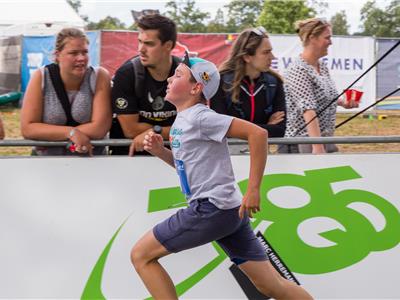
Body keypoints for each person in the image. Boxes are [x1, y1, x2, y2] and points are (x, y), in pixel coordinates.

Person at [130, 53, 313, 300]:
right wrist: (160, 151)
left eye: (179, 74)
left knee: (141, 255)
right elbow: (189, 169)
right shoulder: (183, 120)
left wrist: (254, 190)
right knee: (271, 286)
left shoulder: (200, 116)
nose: (170, 78)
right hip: (230, 211)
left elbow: (258, 134)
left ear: (196, 88)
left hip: (212, 210)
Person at [21, 28, 112, 156]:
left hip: (91, 161)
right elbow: (28, 128)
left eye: (84, 52)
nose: (81, 58)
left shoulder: (99, 76)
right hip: (47, 163)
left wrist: (48, 132)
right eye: (74, 53)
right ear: (58, 55)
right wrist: (70, 133)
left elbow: (99, 128)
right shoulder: (41, 77)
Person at [283, 18, 358, 154]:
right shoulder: (298, 69)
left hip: (323, 139)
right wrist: (317, 147)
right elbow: (308, 110)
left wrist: (343, 103)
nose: (330, 42)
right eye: (327, 37)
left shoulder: (322, 66)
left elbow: (323, 98)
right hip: (302, 143)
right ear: (313, 38)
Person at [110, 14, 179, 155]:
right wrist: (169, 130)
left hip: (176, 155)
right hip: (132, 155)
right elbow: (130, 130)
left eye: (149, 44)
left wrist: (154, 130)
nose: (141, 49)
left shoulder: (186, 75)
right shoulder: (126, 74)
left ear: (168, 46)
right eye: (140, 42)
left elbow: (193, 127)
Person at [210, 26, 285, 138]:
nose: (272, 57)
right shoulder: (221, 82)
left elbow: (279, 130)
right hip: (231, 153)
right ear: (247, 57)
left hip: (264, 152)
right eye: (266, 52)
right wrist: (265, 127)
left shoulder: (274, 82)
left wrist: (237, 129)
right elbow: (220, 129)